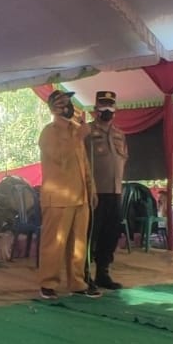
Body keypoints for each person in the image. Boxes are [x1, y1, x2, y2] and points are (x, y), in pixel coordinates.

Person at [37, 90, 101, 300]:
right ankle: (48, 284)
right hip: (58, 200)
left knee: (78, 245)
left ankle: (77, 283)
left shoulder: (76, 130)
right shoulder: (49, 133)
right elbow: (59, 157)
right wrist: (79, 136)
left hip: (81, 197)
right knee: (54, 244)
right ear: (54, 108)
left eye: (69, 101)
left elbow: (84, 164)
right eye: (64, 102)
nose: (69, 106)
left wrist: (91, 189)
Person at [84, 90, 126, 290]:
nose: (107, 109)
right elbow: (81, 161)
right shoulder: (86, 131)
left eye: (111, 105)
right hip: (94, 193)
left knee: (110, 234)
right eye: (103, 106)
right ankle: (83, 274)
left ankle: (103, 273)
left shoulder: (120, 134)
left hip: (115, 192)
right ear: (96, 109)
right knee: (90, 234)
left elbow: (123, 160)